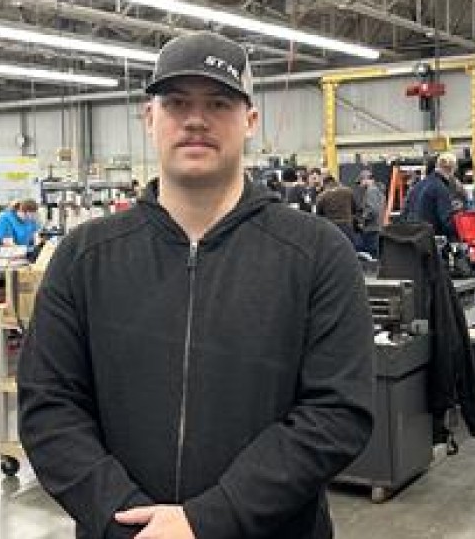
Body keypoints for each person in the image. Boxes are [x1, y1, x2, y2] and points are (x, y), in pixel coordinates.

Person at [18, 31, 374, 539]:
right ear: (149, 118)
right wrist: (127, 520)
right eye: (177, 102)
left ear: (250, 120)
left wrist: (208, 521)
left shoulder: (317, 254)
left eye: (219, 103)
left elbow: (337, 412)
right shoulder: (84, 257)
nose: (196, 120)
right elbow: (49, 407)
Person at [401, 152, 464, 241]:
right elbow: (446, 220)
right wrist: (461, 233)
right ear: (453, 169)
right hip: (431, 240)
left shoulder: (418, 185)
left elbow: (405, 213)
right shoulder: (440, 187)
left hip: (413, 238)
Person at [314, 174, 358, 245]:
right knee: (349, 250)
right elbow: (354, 209)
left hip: (332, 228)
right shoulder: (348, 191)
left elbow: (318, 215)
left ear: (325, 184)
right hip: (347, 226)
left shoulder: (322, 196)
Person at [355, 169, 386, 258]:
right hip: (378, 227)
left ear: (366, 179)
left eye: (360, 182)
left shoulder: (371, 191)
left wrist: (362, 221)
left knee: (370, 258)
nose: (360, 185)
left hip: (371, 229)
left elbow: (372, 210)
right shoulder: (379, 191)